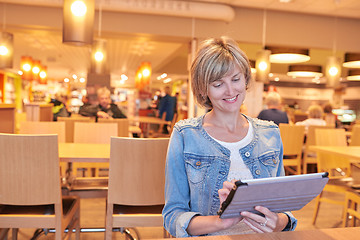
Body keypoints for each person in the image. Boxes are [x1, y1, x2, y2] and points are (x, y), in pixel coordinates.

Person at [162, 37, 296, 237]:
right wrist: (221, 222)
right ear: (202, 89)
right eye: (218, 84)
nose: (231, 91)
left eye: (236, 79)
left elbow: (284, 211)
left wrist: (277, 221)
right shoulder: (185, 135)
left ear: (245, 79)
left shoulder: (270, 133)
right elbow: (172, 217)